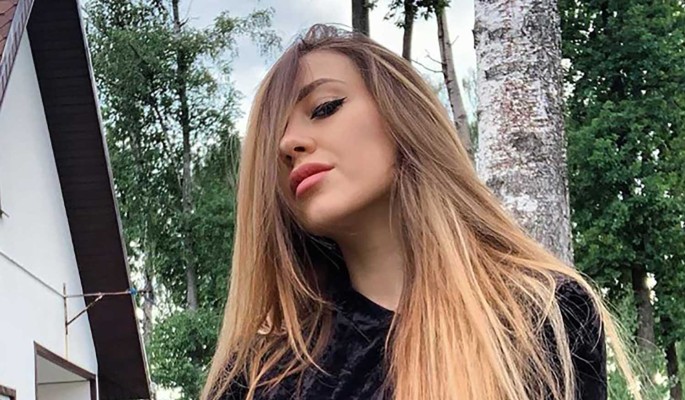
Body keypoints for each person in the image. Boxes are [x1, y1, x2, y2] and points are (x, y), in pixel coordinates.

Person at [201, 24, 641, 400]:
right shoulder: (258, 375)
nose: (287, 144)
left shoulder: (540, 315)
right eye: (271, 141)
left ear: (402, 116)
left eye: (324, 108)